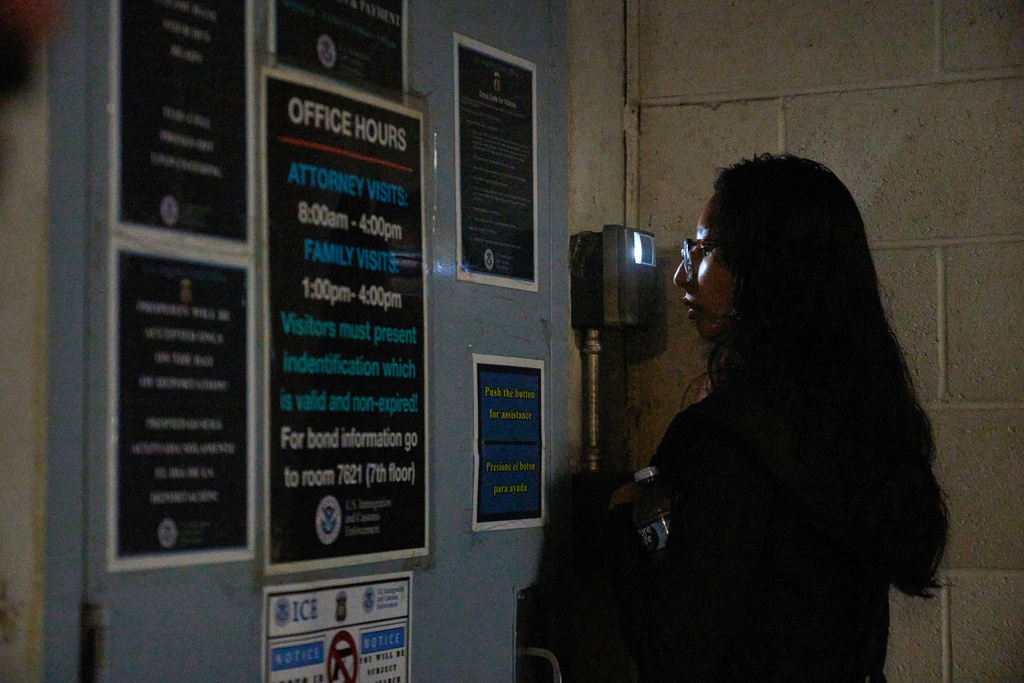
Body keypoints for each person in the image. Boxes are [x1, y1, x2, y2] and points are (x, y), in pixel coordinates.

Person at [608, 154, 947, 681]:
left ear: (764, 270)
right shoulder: (866, 425)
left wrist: (623, 523)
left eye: (702, 249)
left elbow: (673, 654)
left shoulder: (725, 440)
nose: (681, 274)